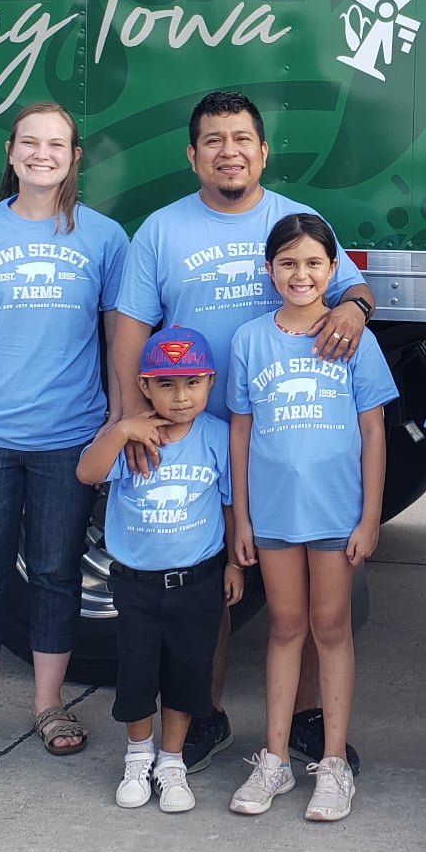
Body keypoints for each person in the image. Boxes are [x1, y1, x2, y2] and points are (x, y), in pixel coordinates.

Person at [111, 90, 377, 771]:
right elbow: (131, 331)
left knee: (317, 600)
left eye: (241, 139)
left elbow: (348, 289)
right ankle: (203, 713)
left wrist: (358, 310)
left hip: (291, 436)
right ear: (192, 154)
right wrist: (128, 418)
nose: (228, 151)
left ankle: (314, 721)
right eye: (213, 140)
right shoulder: (161, 232)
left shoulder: (295, 222)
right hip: (197, 434)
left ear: (263, 150)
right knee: (210, 587)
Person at [0, 101, 129, 761]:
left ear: (74, 159)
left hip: (68, 435)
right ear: (11, 154)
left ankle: (48, 706)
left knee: (55, 574)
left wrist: (119, 423)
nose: (44, 153)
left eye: (58, 145)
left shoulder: (103, 238)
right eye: (31, 143)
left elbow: (116, 336)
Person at [226, 216, 396, 821]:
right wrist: (239, 519)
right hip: (272, 513)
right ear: (269, 270)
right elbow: (241, 432)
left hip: (334, 512)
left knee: (331, 629)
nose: (301, 275)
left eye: (314, 263)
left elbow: (374, 431)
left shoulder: (355, 339)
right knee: (284, 627)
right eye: (288, 263)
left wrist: (370, 515)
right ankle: (273, 761)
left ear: (333, 270)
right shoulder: (250, 340)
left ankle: (332, 766)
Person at [76, 326, 242, 813]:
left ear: (210, 383)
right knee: (137, 672)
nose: (181, 395)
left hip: (198, 580)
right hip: (136, 584)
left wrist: (234, 563)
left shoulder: (216, 436)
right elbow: (87, 473)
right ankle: (137, 756)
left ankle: (171, 762)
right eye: (167, 384)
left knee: (187, 672)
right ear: (145, 386)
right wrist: (122, 429)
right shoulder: (133, 439)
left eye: (192, 383)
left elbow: (230, 504)